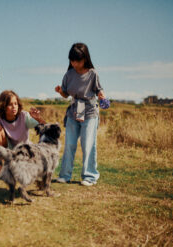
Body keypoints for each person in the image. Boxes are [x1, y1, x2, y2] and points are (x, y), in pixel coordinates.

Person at [54, 43, 106, 186]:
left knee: (87, 144)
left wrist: (102, 96)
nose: (75, 64)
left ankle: (90, 176)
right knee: (69, 144)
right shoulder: (69, 74)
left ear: (85, 59)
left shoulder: (92, 74)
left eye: (78, 60)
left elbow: (99, 91)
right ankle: (65, 175)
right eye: (72, 60)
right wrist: (60, 91)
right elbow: (65, 94)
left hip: (89, 111)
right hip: (74, 110)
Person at [0, 90, 46, 180]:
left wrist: (39, 119)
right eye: (10, 104)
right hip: (8, 152)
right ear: (3, 106)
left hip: (24, 151)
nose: (14, 107)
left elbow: (45, 129)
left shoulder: (24, 116)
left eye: (16, 104)